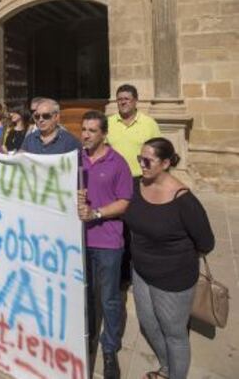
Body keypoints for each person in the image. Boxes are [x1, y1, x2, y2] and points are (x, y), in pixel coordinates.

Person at [124, 138, 215, 379]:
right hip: (141, 271)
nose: (141, 164)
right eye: (139, 159)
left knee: (175, 333)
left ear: (165, 163)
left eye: (147, 160)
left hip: (174, 279)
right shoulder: (134, 185)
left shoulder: (183, 200)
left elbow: (206, 243)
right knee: (148, 323)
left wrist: (172, 258)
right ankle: (166, 367)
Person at [77, 111, 133, 379]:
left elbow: (124, 202)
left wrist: (96, 213)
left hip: (108, 241)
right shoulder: (76, 159)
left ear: (104, 134)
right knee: (85, 294)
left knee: (109, 298)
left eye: (91, 131)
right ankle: (86, 338)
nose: (85, 135)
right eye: (83, 129)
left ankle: (109, 349)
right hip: (78, 241)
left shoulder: (117, 162)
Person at [107, 84, 161, 177]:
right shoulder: (107, 123)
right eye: (120, 99)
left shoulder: (149, 123)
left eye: (127, 99)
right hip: (114, 178)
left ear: (136, 101)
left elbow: (159, 152)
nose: (123, 102)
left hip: (141, 178)